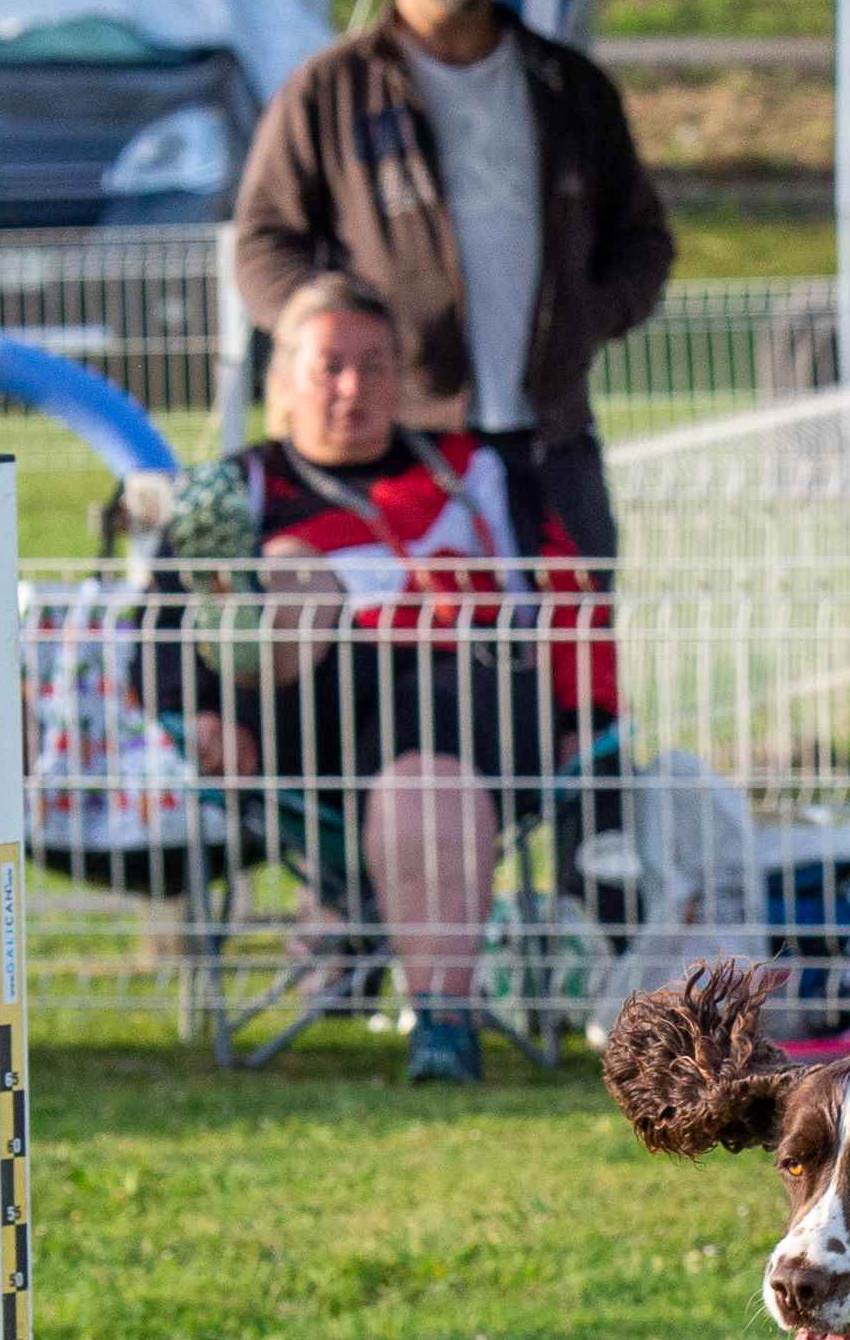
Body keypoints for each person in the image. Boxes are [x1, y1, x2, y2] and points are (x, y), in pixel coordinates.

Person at [155, 274, 617, 1086]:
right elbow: (155, 623)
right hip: (309, 723)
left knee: (425, 749)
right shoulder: (239, 490)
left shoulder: (476, 470)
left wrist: (588, 709)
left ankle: (443, 1017)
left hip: (478, 695)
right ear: (283, 379)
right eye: (330, 365)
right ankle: (244, 653)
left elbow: (570, 596)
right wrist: (196, 712)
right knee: (293, 572)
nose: (353, 386)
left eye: (374, 365)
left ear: (401, 378)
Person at [233, 0, 673, 564]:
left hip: (551, 436)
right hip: (402, 445)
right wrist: (331, 341)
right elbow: (262, 245)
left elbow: (643, 238)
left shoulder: (568, 87)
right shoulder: (333, 90)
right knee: (424, 660)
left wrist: (591, 316)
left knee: (573, 647)